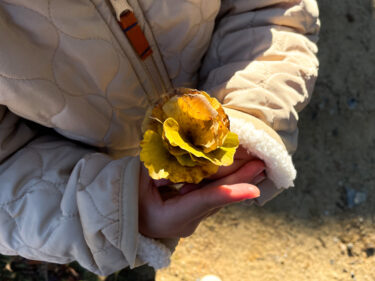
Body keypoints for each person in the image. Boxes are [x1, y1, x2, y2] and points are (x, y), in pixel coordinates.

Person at [0, 0, 320, 276]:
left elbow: (273, 10)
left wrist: (252, 110)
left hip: (222, 94)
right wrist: (112, 210)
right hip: (101, 167)